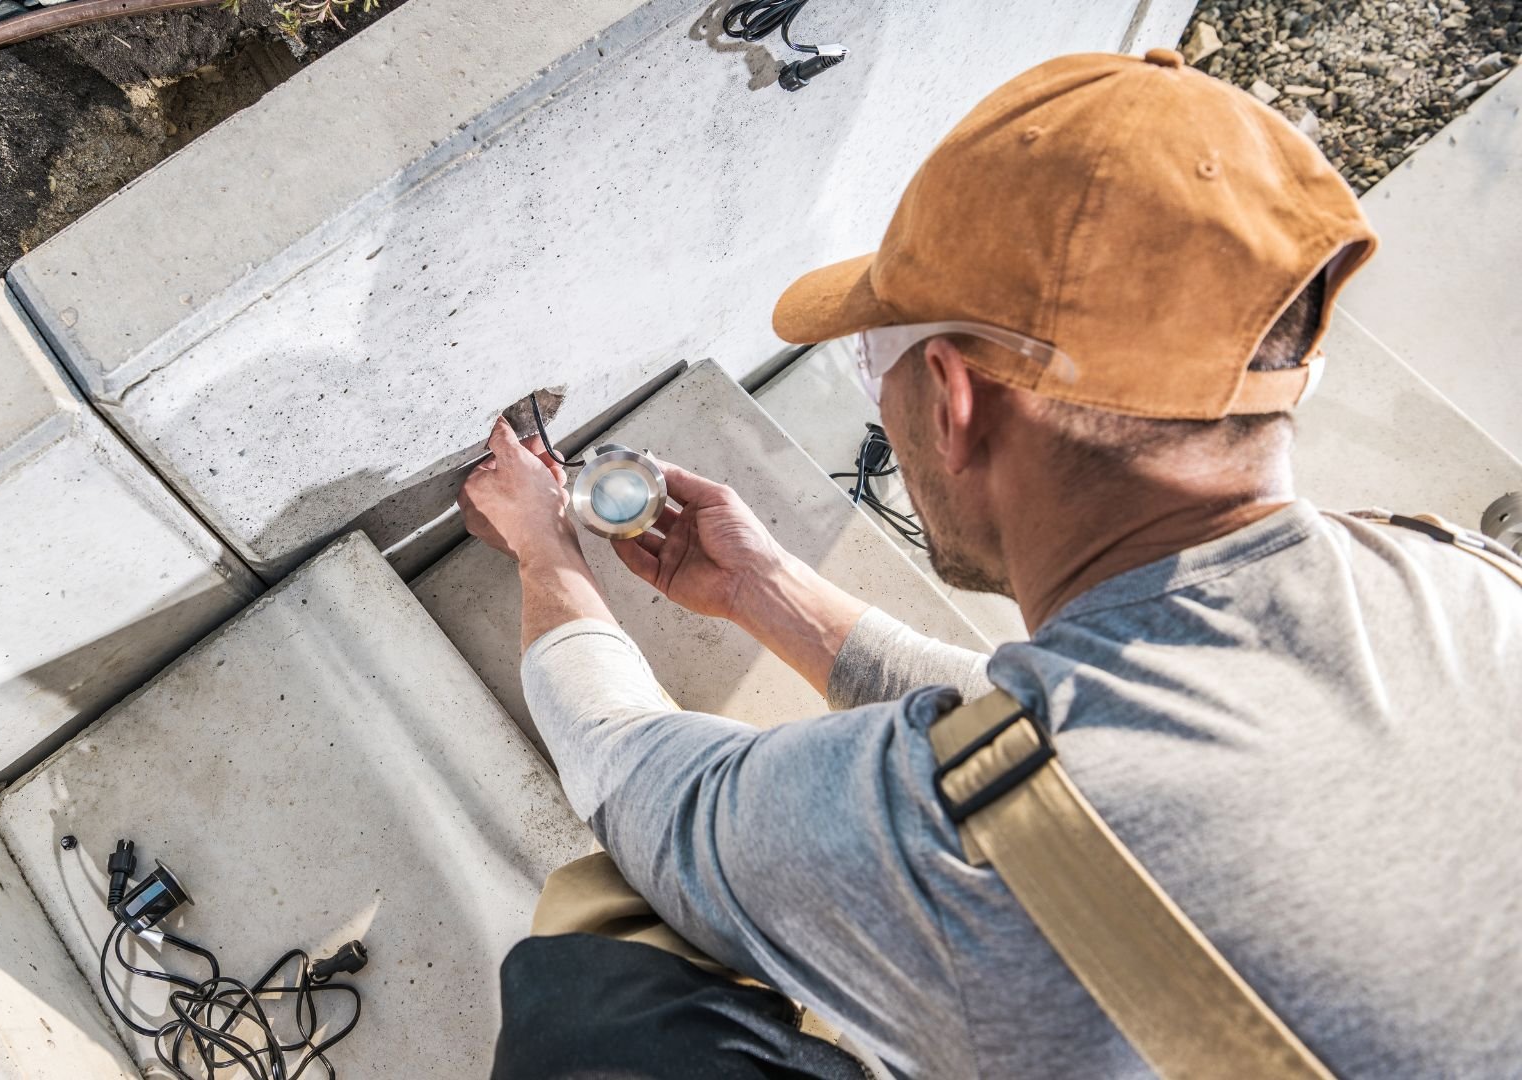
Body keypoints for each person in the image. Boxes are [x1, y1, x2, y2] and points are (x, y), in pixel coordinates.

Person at [460, 48, 1522, 1078]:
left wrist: (545, 547)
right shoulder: (1464, 582)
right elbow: (1093, 769)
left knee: (596, 979)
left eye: (869, 354)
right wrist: (766, 593)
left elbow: (644, 789)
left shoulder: (931, 850)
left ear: (955, 400)